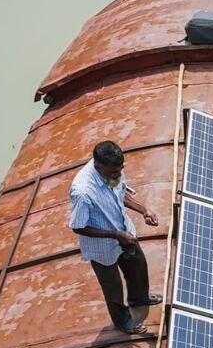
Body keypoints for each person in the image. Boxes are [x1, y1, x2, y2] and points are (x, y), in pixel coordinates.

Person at [69, 140, 162, 334]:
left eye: (120, 169)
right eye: (113, 172)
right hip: (102, 247)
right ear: (98, 166)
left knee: (137, 265)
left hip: (124, 232)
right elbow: (78, 226)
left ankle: (139, 298)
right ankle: (122, 321)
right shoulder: (83, 191)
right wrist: (115, 235)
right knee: (113, 287)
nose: (118, 175)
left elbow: (119, 193)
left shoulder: (113, 170)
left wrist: (144, 210)